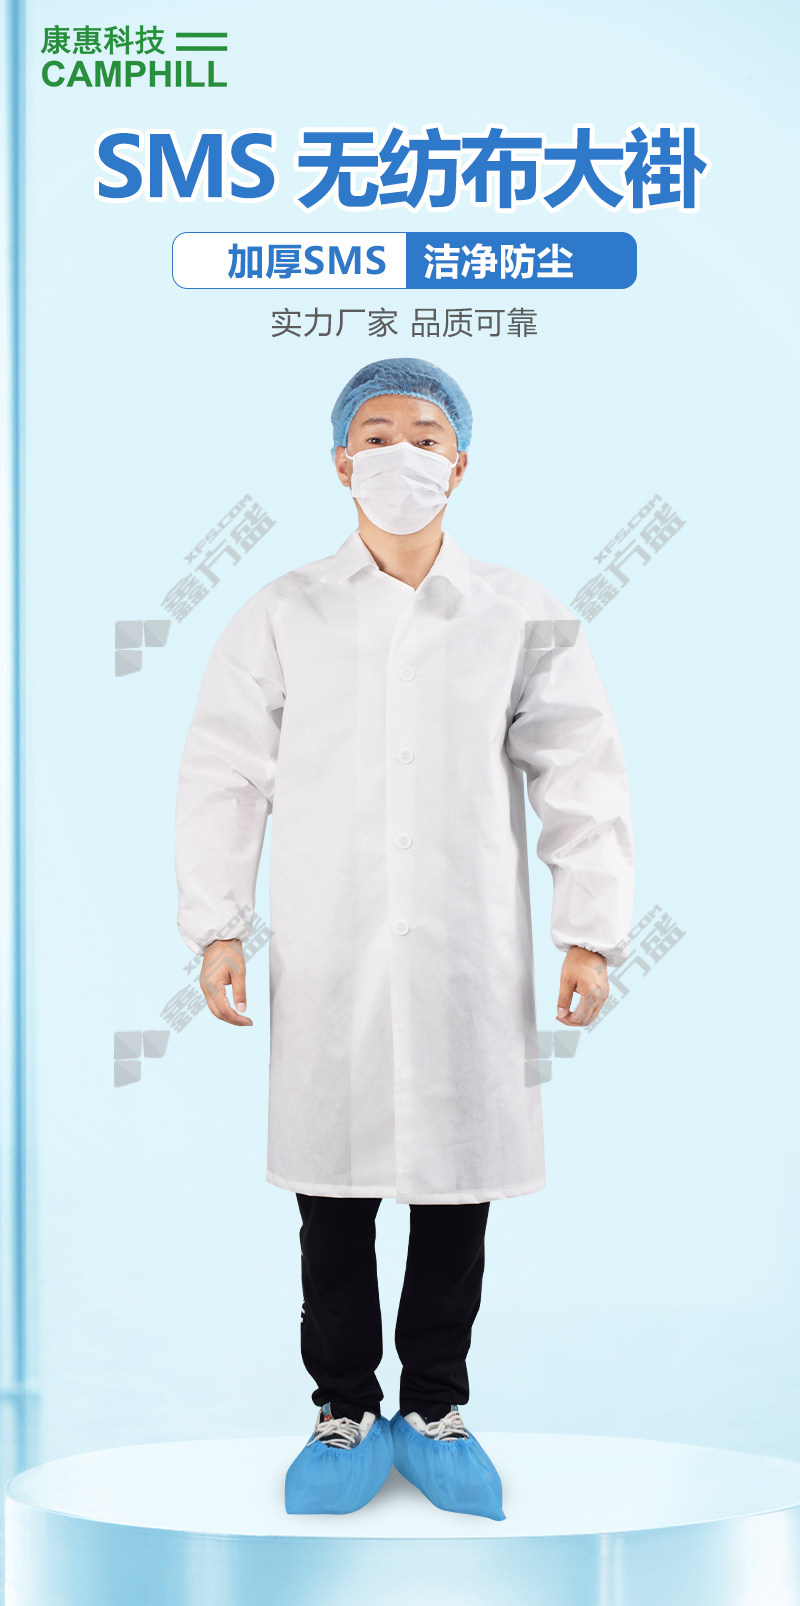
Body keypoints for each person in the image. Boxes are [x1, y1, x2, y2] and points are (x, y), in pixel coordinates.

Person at [174, 356, 634, 1521]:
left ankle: (433, 1406)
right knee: (329, 1196)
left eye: (422, 436)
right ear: (341, 463)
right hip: (327, 945)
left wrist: (589, 929)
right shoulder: (282, 612)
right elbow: (224, 772)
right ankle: (340, 1406)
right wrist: (218, 923)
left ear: (458, 464)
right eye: (374, 435)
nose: (398, 455)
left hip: (466, 946)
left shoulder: (518, 612)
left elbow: (578, 767)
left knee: (453, 1187)